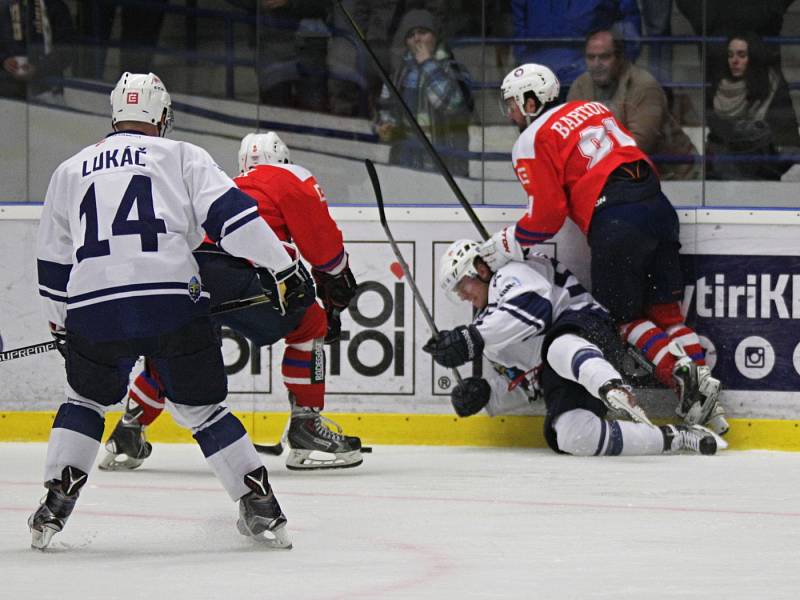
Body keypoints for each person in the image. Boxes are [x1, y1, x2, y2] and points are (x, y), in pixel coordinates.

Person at [29, 72, 307, 550]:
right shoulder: (183, 155)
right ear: (161, 116)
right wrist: (284, 268)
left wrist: (60, 321)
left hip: (96, 308)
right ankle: (259, 503)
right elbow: (235, 221)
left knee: (85, 401)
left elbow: (53, 261)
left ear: (116, 115)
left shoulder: (70, 169)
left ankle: (56, 500)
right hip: (173, 304)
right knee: (202, 409)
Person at [478, 63, 729, 437]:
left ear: (531, 101)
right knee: (667, 314)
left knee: (623, 319)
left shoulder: (530, 139)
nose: (511, 113)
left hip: (616, 219)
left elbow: (547, 217)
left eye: (513, 103)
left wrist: (504, 244)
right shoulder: (592, 108)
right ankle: (703, 401)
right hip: (659, 207)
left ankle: (683, 376)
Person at [99, 131, 363, 472]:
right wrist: (338, 277)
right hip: (243, 274)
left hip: (189, 271)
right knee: (310, 321)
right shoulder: (291, 175)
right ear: (283, 157)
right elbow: (323, 250)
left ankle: (128, 435)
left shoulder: (222, 182)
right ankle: (306, 429)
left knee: (177, 345)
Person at [423, 240, 726, 457]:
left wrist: (471, 338)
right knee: (571, 437)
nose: (462, 295)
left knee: (557, 347)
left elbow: (535, 310)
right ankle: (676, 437)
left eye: (463, 284)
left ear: (480, 268)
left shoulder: (512, 271)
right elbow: (529, 384)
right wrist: (488, 395)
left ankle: (610, 385)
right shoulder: (489, 335)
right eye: (457, 292)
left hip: (591, 331)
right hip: (560, 371)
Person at [567, 29, 699, 180]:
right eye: (591, 57)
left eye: (604, 57)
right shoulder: (580, 85)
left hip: (674, 175)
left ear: (620, 58)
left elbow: (638, 145)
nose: (596, 64)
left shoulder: (644, 86)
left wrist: (588, 156)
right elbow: (570, 138)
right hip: (617, 174)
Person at [373, 8, 473, 177]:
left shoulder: (455, 69)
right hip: (405, 165)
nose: (417, 38)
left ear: (435, 36)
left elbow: (451, 104)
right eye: (411, 35)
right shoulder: (398, 74)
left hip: (446, 167)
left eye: (423, 32)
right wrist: (384, 125)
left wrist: (428, 63)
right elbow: (384, 110)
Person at [706, 32, 800, 181]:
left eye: (741, 55)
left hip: (763, 167)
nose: (734, 61)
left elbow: (783, 138)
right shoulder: (718, 88)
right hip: (725, 167)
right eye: (730, 55)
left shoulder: (772, 88)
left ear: (753, 58)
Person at [511, 0, 641, 91]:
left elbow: (629, 27)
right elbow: (520, 31)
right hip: (540, 79)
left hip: (591, 80)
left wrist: (621, 68)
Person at [0, 0, 75, 100]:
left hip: (48, 90)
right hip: (8, 90)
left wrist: (38, 68)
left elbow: (66, 51)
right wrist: (4, 60)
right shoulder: (6, 7)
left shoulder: (56, 7)